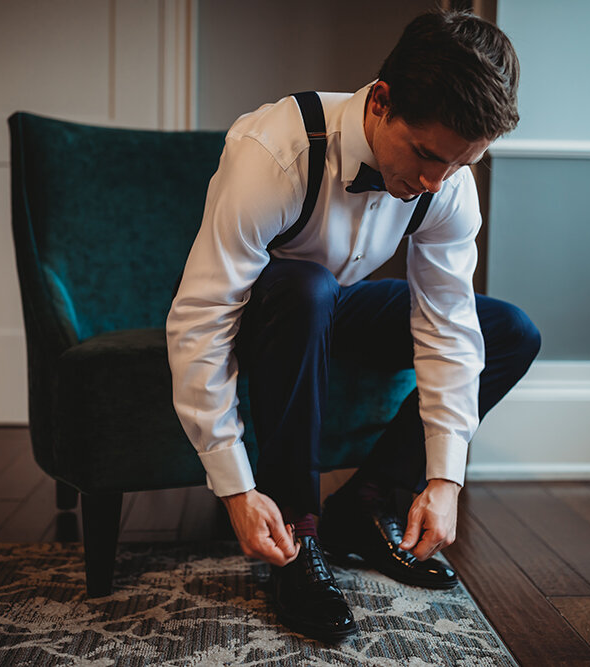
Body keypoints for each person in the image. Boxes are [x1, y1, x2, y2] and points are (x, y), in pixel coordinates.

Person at [167, 10, 540, 641]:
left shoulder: (445, 179)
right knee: (305, 286)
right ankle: (299, 532)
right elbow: (203, 319)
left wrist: (445, 478)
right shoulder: (273, 152)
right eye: (425, 155)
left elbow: (447, 323)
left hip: (335, 306)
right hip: (269, 312)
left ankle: (363, 505)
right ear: (381, 101)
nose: (433, 182)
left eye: (457, 164)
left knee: (507, 328)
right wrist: (234, 487)